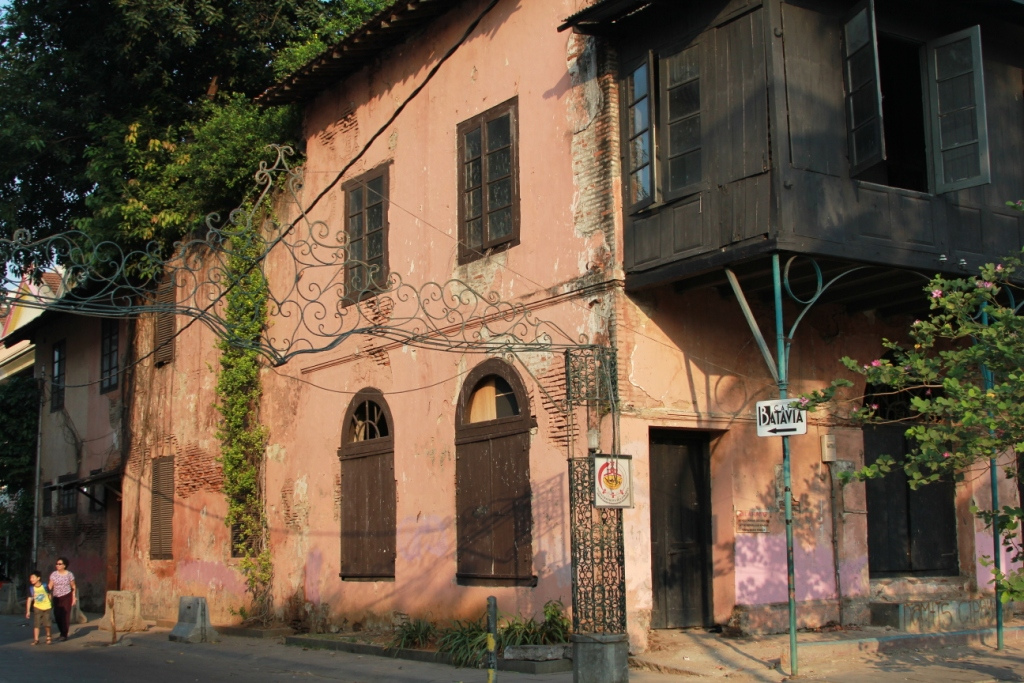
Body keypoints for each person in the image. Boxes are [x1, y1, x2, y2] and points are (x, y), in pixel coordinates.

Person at [48, 557, 76, 641]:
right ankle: (61, 631)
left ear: (64, 565)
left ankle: (64, 634)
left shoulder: (69, 574)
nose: (57, 565)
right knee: (57, 615)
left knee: (65, 615)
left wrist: (74, 597)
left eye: (60, 564)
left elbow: (73, 586)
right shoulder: (53, 574)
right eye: (57, 564)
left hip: (67, 596)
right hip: (56, 597)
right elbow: (50, 586)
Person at [25, 570, 53, 645]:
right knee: (36, 624)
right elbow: (29, 599)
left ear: (38, 578)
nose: (31, 579)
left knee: (47, 623)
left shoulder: (44, 586)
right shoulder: (31, 588)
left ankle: (48, 636)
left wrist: (50, 603)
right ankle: (36, 639)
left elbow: (49, 595)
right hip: (37, 607)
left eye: (33, 577)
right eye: (30, 578)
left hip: (47, 607)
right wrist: (27, 611)